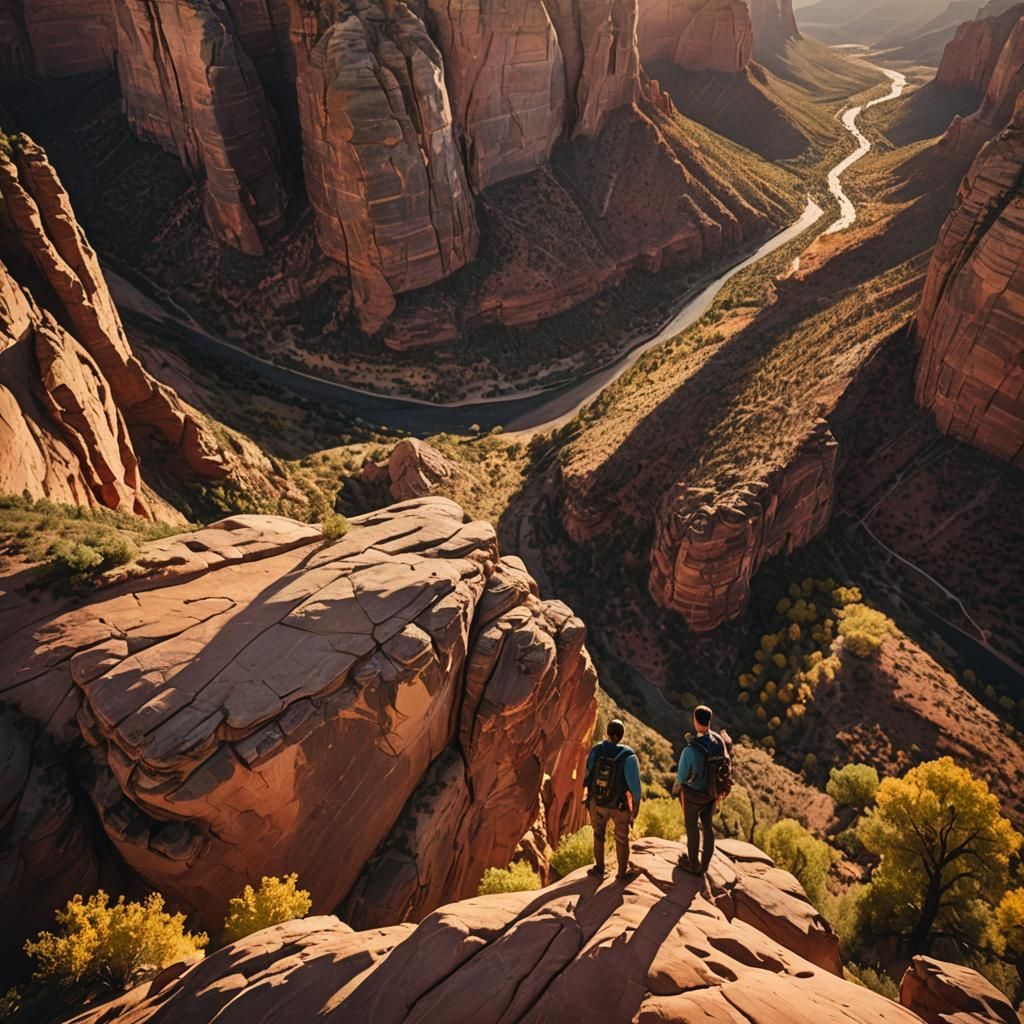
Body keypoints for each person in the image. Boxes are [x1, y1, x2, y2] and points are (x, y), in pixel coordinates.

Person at [673, 705, 731, 876]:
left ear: (695, 721)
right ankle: (704, 865)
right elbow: (727, 763)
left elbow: (681, 777)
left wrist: (675, 789)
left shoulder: (690, 750)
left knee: (692, 826)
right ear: (709, 721)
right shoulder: (719, 741)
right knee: (707, 826)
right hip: (712, 793)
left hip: (694, 795)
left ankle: (693, 864)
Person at [583, 719, 642, 879]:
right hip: (620, 806)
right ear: (621, 736)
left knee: (598, 834)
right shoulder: (629, 756)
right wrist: (635, 808)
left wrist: (589, 799)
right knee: (621, 838)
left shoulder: (596, 750)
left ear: (607, 733)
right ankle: (622, 874)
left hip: (598, 802)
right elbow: (635, 787)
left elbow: (586, 774)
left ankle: (599, 868)